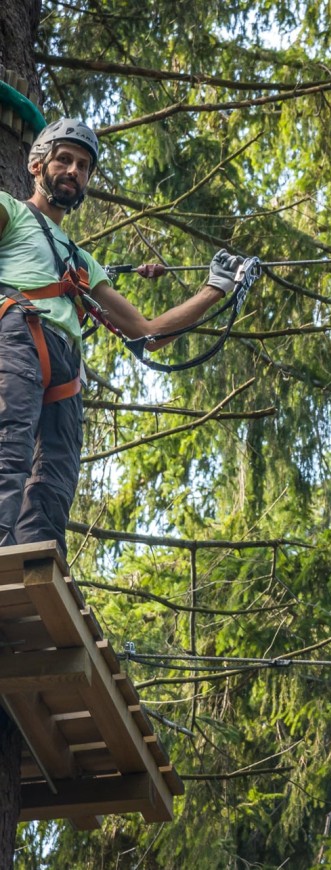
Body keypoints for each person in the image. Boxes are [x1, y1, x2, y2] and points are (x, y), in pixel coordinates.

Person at [0, 118, 244, 557]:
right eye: (64, 159)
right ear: (37, 165)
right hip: (17, 334)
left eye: (83, 165)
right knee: (8, 447)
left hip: (65, 368)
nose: (74, 170)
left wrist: (216, 289)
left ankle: (34, 570)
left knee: (54, 479)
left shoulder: (82, 261)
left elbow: (148, 334)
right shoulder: (12, 213)